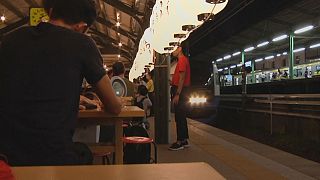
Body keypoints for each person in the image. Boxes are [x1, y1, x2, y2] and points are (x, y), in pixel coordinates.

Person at [0, 0, 122, 166]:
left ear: (50, 11)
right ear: (82, 27)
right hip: (52, 157)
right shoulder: (82, 44)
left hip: (6, 157)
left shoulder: (11, 39)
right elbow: (114, 107)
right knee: (83, 152)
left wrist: (72, 98)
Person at [169, 41, 191, 151]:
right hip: (182, 91)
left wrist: (177, 94)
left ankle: (179, 141)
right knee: (182, 116)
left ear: (180, 48)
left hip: (180, 92)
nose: (172, 51)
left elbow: (182, 79)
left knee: (179, 117)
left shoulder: (182, 60)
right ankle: (184, 140)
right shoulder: (183, 60)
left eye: (174, 48)